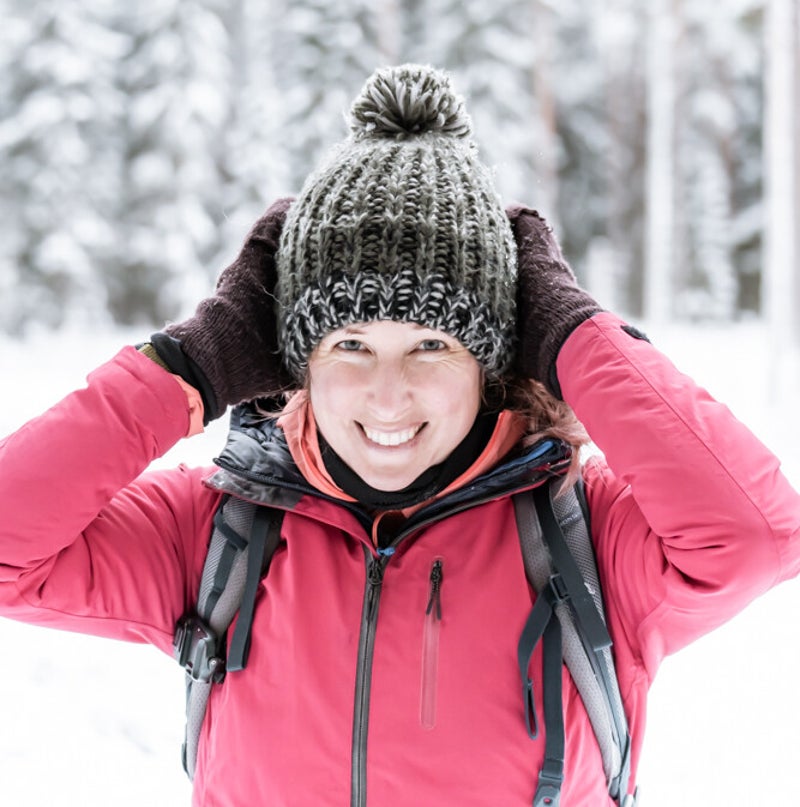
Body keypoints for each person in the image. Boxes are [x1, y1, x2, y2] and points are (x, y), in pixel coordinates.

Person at [1, 63, 798, 806]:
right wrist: (188, 367)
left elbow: (757, 536)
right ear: (295, 361)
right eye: (349, 345)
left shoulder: (583, 537)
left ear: (490, 361)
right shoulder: (221, 530)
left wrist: (574, 337)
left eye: (431, 345)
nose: (389, 395)